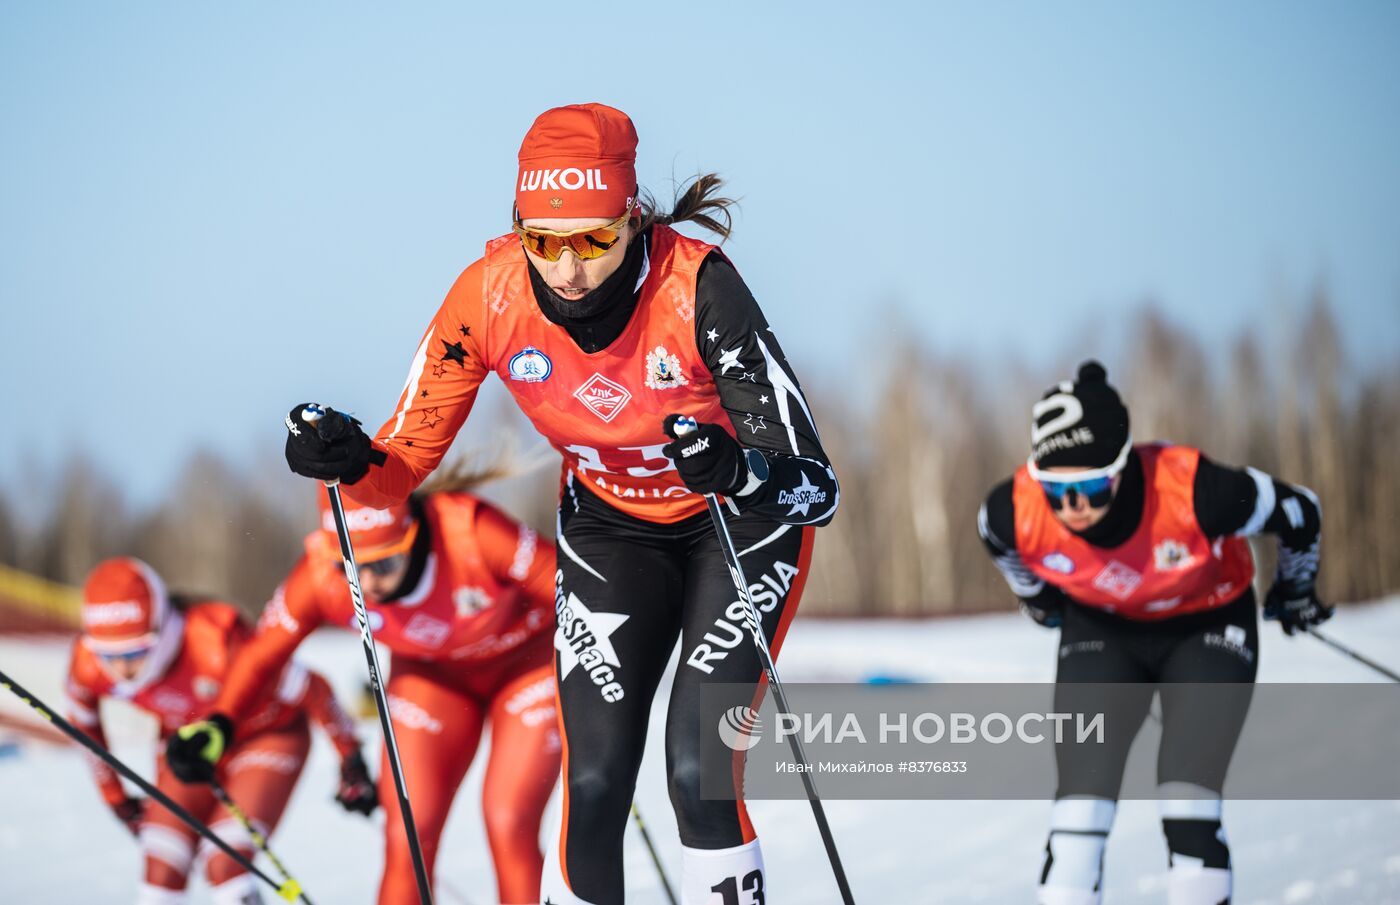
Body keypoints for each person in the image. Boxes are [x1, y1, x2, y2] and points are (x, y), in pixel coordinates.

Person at [278, 102, 839, 905]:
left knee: (698, 767)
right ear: (518, 229)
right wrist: (345, 456)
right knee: (599, 781)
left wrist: (737, 468)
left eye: (593, 241)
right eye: (544, 242)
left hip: (737, 525)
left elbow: (814, 486)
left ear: (633, 220)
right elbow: (396, 468)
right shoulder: (491, 295)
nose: (567, 269)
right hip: (612, 530)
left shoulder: (699, 289)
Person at [977, 361, 1331, 905]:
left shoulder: (1195, 490)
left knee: (1187, 807)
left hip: (1206, 625)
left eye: (1092, 488)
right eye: (1056, 491)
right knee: (1076, 821)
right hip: (1103, 631)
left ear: (1122, 467)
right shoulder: (1014, 509)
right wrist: (1041, 602)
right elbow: (1001, 545)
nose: (1073, 508)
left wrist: (1294, 589)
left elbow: (1299, 511)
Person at [172, 473, 560, 905]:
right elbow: (262, 654)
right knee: (408, 830)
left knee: (509, 820)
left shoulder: (470, 530)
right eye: (350, 568)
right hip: (433, 680)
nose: (369, 583)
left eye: (386, 563)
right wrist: (220, 723)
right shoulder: (319, 575)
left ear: (414, 534)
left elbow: (574, 592)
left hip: (526, 666)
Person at [66, 556, 369, 905]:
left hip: (267, 736)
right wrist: (115, 799)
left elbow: (314, 688)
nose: (122, 668)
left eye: (137, 651)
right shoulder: (88, 665)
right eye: (108, 655)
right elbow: (82, 721)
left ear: (164, 627)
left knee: (226, 863)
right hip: (189, 746)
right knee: (161, 865)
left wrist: (351, 758)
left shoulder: (216, 642)